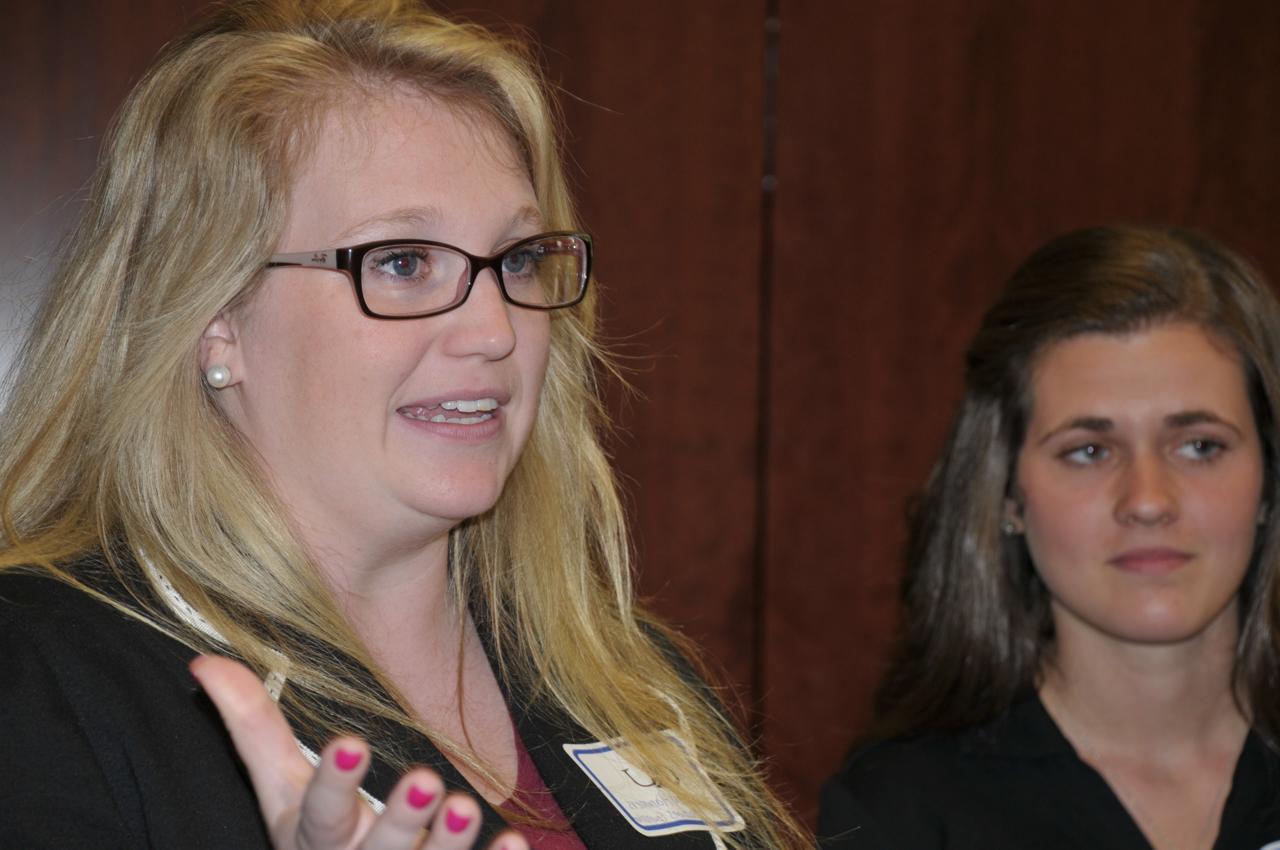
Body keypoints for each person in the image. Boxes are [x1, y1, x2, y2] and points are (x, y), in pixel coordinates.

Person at [0, 3, 809, 849]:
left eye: (519, 260)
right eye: (403, 262)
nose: (496, 331)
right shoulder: (43, 683)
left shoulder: (633, 677)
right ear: (216, 318)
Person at [819, 224, 1280, 849]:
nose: (1147, 500)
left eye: (1200, 446)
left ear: (1268, 479)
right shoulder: (902, 814)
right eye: (1089, 450)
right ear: (1008, 493)